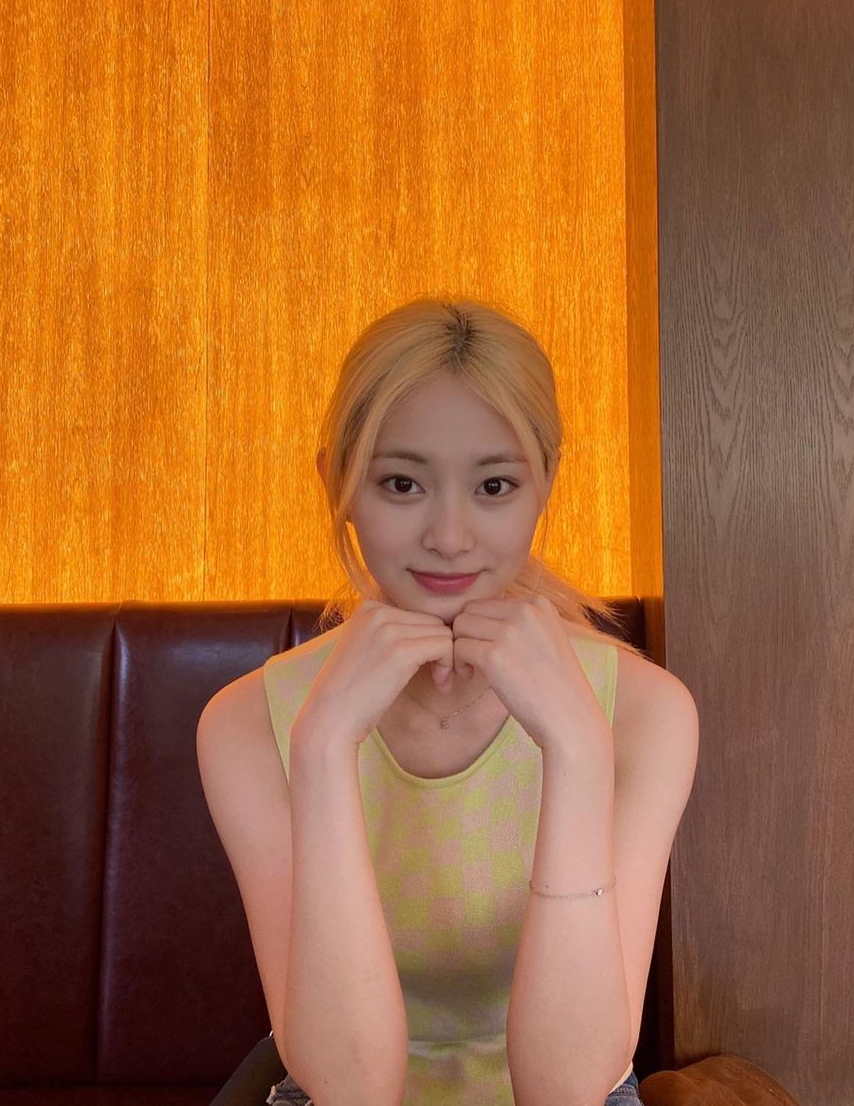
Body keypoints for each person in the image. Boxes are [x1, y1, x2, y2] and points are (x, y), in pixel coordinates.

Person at [200, 294, 699, 1106]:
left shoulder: (647, 714)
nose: (450, 536)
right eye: (401, 483)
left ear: (546, 483)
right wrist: (324, 746)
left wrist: (577, 748)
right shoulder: (246, 724)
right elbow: (345, 1090)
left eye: (495, 485)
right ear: (337, 483)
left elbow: (574, 1089)